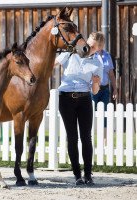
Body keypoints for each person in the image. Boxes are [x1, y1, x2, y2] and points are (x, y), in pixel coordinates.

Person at [54, 48, 103, 186]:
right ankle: (77, 175)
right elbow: (52, 64)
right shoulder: (69, 54)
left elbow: (95, 90)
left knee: (86, 137)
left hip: (85, 99)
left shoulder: (97, 62)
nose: (90, 48)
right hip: (66, 99)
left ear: (98, 48)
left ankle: (88, 175)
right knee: (72, 137)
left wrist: (95, 82)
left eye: (94, 46)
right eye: (90, 44)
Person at [87, 32, 118, 141]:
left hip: (104, 90)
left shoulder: (107, 56)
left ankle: (105, 140)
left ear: (101, 45)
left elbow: (111, 74)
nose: (98, 47)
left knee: (105, 114)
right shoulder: (89, 56)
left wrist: (115, 89)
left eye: (100, 45)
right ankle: (87, 138)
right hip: (91, 90)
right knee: (88, 114)